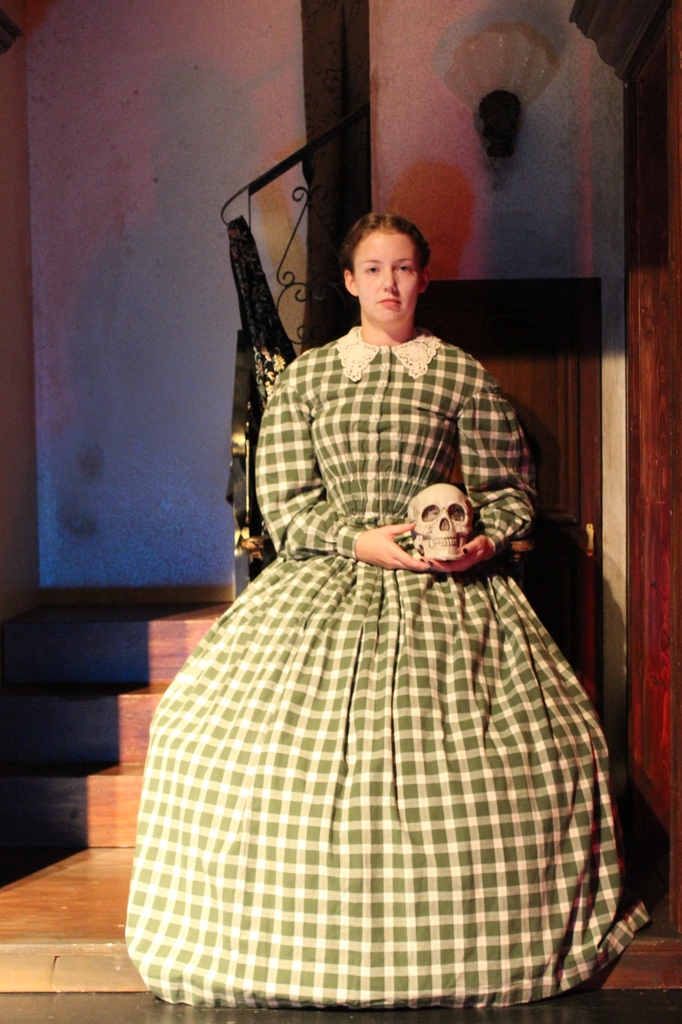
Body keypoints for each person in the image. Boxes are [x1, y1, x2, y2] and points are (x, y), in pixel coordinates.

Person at [126, 213, 647, 1008]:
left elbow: (509, 490)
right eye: (373, 269)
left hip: (442, 583)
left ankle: (475, 942)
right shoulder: (308, 380)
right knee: (205, 731)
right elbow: (286, 504)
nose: (389, 284)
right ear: (349, 282)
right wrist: (357, 541)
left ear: (424, 278)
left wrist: (480, 541)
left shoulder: (458, 374)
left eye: (403, 268)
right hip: (329, 577)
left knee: (537, 748)